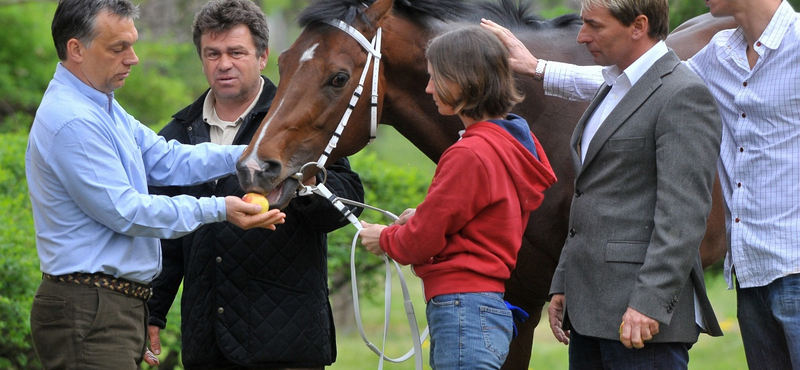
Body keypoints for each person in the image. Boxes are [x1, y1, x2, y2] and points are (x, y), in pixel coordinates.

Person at [485, 0, 800, 368]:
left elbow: (680, 208)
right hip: (752, 271)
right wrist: (539, 69)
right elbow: (641, 84)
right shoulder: (720, 54)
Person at [26, 1, 286, 369]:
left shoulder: (102, 106)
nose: (132, 58)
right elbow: (127, 211)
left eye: (131, 44)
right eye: (118, 48)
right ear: (76, 49)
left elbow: (167, 158)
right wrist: (220, 208)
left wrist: (251, 151)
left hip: (107, 305)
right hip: (89, 308)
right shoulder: (73, 120)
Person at [144, 1, 365, 369]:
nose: (223, 63)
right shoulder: (176, 136)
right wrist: (154, 311)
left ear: (263, 56)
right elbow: (164, 236)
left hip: (287, 339)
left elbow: (348, 203)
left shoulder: (301, 118)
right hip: (206, 343)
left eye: (236, 52)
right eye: (212, 53)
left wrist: (303, 178)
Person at [358, 25, 557, 370]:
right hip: (486, 307)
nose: (429, 88)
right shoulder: (510, 145)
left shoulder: (470, 153)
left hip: (462, 310)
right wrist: (418, 217)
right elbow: (473, 220)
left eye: (436, 78)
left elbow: (421, 240)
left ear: (465, 80)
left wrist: (385, 238)